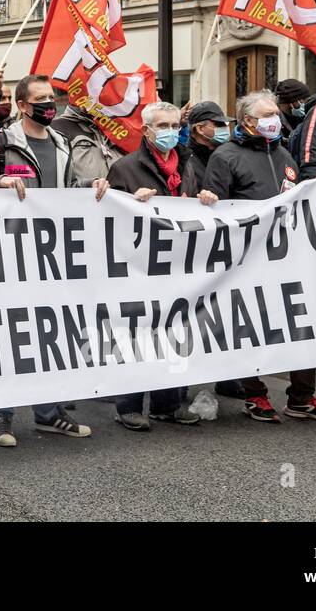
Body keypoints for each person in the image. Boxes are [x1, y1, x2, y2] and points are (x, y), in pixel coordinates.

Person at [202, 90, 316, 425]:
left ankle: (302, 398)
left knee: (304, 324)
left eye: (275, 114)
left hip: (289, 257)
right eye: (266, 115)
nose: (274, 120)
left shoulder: (284, 154)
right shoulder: (225, 156)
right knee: (250, 327)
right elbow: (215, 210)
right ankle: (254, 394)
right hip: (246, 261)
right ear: (248, 120)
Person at [0, 74, 97, 445]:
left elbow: (66, 190)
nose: (51, 104)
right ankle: (0, 414)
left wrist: (93, 186)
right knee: (8, 334)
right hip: (9, 253)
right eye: (42, 99)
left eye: (52, 97)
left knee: (51, 333)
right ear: (21, 105)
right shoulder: (1, 143)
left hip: (53, 254)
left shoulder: (63, 142)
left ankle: (49, 412)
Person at [104, 102, 203, 430]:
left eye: (175, 124)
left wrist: (203, 202)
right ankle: (128, 404)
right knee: (135, 332)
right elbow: (108, 219)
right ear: (146, 130)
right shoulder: (125, 167)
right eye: (162, 126)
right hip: (138, 264)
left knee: (174, 329)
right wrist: (132, 202)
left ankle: (167, 402)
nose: (171, 131)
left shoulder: (186, 163)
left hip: (175, 262)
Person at [51, 101, 126, 186]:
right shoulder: (56, 128)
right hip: (81, 198)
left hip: (120, 197)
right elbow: (55, 181)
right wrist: (89, 184)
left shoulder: (121, 129)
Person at [180, 100, 233, 197]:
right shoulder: (184, 161)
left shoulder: (230, 156)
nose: (225, 128)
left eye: (225, 124)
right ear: (200, 129)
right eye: (219, 124)